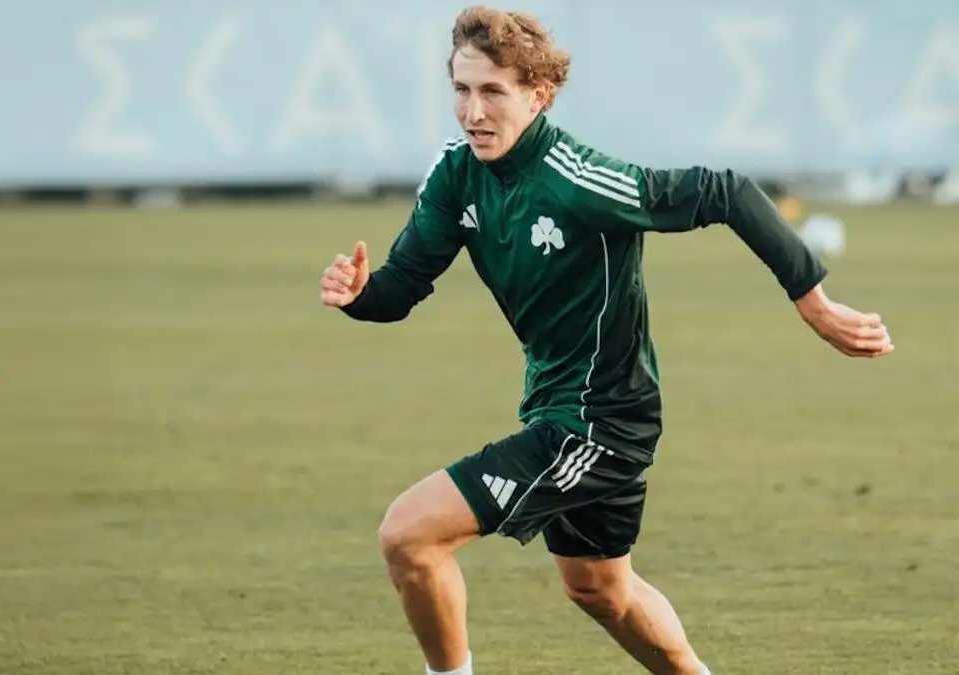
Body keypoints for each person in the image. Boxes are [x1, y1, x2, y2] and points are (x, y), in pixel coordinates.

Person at [317, 6, 894, 675]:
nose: (473, 111)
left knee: (409, 534)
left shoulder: (576, 178)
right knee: (599, 588)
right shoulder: (456, 173)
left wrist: (815, 304)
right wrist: (360, 294)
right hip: (558, 407)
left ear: (538, 95)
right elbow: (402, 286)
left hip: (599, 421)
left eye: (493, 91)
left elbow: (727, 192)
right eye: (462, 90)